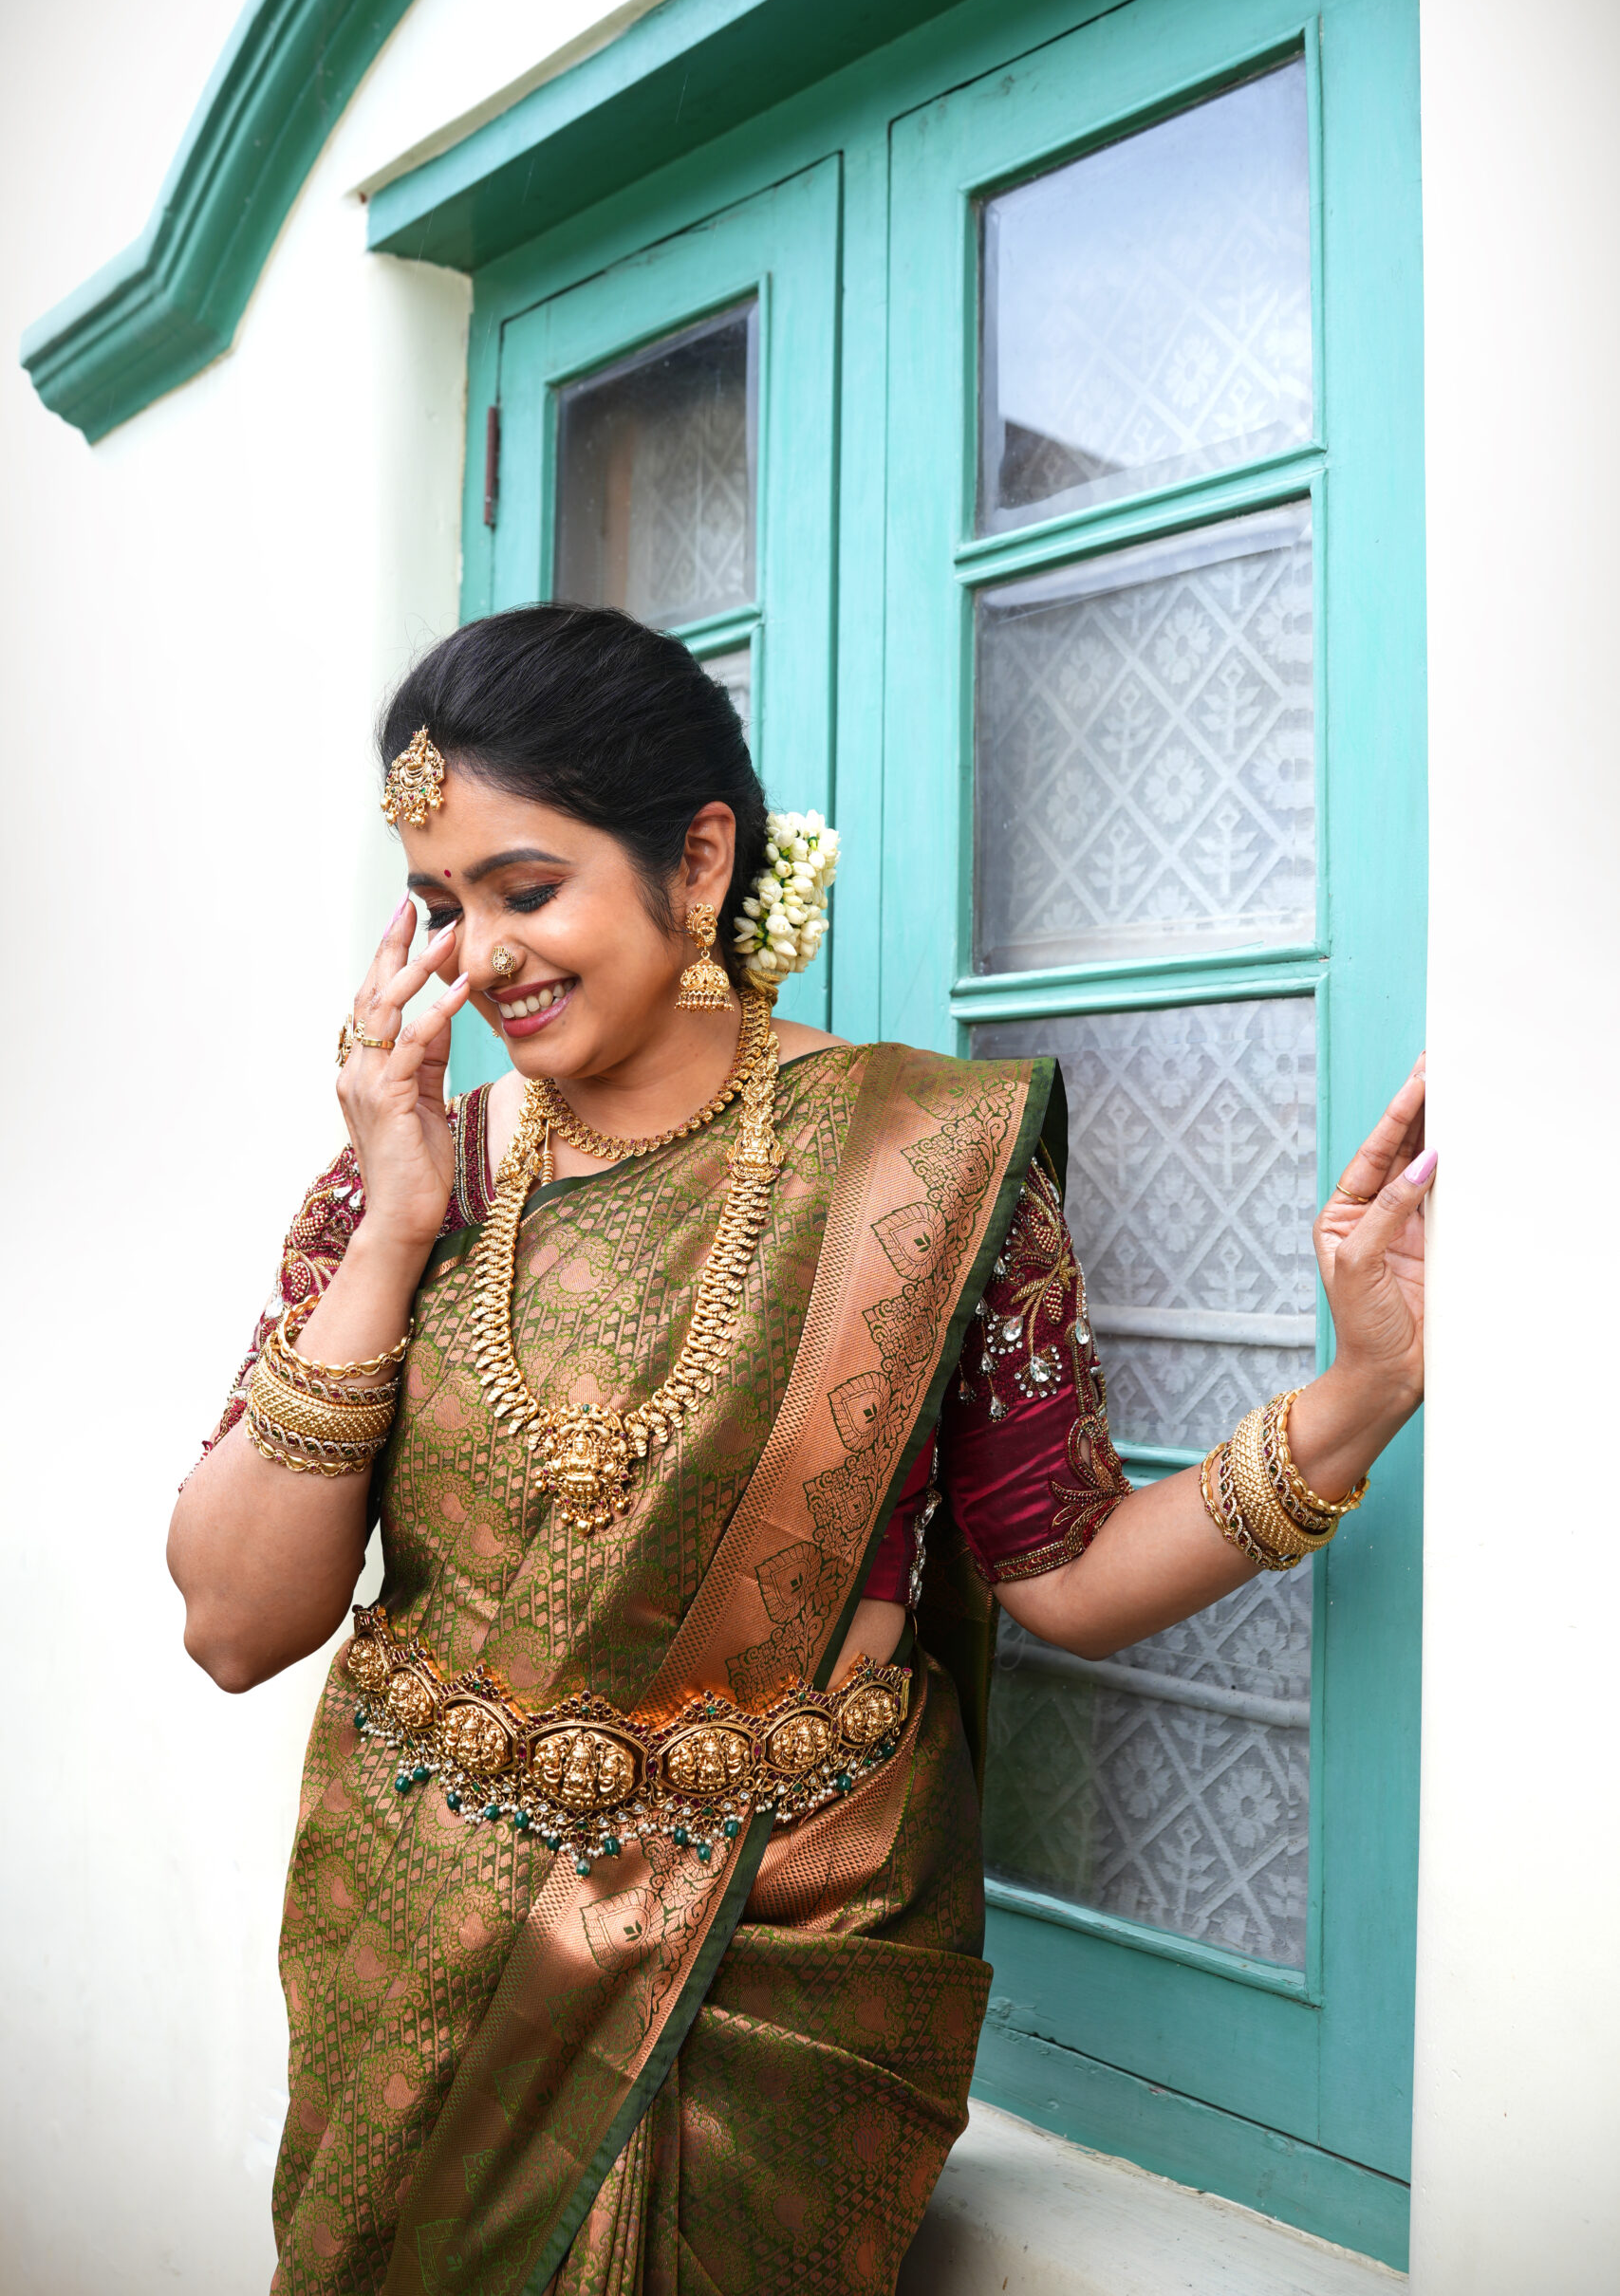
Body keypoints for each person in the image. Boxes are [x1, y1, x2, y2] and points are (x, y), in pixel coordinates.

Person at [168, 604, 1432, 2296]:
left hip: (782, 1959)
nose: (475, 960)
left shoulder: (924, 1172)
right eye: (440, 906)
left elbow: (1063, 1574)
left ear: (697, 863)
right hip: (424, 1970)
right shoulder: (405, 1174)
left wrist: (1357, 1391)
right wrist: (395, 1228)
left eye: (525, 890)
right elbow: (235, 1629)